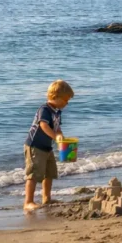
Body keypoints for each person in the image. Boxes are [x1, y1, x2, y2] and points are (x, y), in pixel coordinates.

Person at [23, 79, 73, 212]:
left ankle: (47, 198)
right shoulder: (44, 109)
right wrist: (55, 137)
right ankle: (28, 201)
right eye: (65, 100)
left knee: (49, 173)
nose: (67, 103)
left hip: (47, 147)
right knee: (33, 174)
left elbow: (57, 128)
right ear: (55, 97)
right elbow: (43, 125)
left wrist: (61, 137)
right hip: (35, 146)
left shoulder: (57, 112)